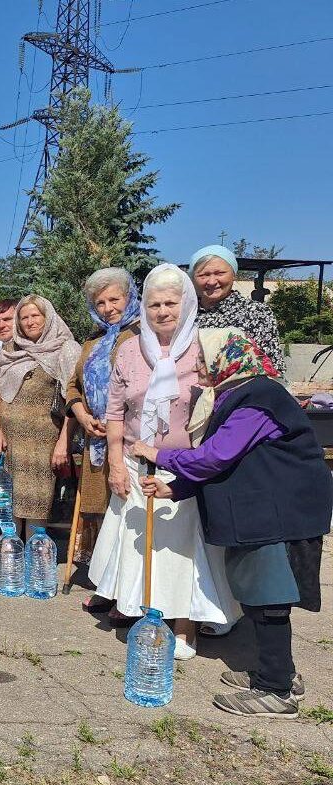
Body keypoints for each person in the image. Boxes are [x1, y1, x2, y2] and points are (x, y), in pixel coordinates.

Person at [137, 329, 330, 718]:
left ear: (228, 359)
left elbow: (216, 457)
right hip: (265, 511)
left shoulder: (259, 398)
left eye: (204, 360)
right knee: (260, 594)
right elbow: (226, 461)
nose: (198, 367)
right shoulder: (242, 396)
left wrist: (157, 454)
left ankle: (276, 692)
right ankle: (278, 672)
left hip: (278, 515)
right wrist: (175, 490)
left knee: (270, 597)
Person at [89, 264, 239, 659]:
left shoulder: (206, 347)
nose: (161, 311)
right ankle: (150, 613)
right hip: (138, 463)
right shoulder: (129, 350)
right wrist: (117, 467)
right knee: (145, 547)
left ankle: (186, 625)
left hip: (189, 466)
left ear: (186, 303)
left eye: (170, 302)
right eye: (154, 303)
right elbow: (116, 413)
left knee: (184, 548)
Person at [65, 269, 140, 589]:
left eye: (115, 299)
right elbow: (73, 386)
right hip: (94, 435)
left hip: (127, 438)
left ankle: (125, 586)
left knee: (125, 513)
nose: (109, 307)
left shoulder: (140, 335)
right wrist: (82, 416)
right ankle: (104, 582)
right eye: (101, 302)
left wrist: (114, 419)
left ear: (129, 298)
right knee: (99, 513)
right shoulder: (92, 341)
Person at [0, 295, 81, 536]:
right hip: (10, 441)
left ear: (47, 317)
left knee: (36, 502)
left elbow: (73, 399)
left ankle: (33, 559)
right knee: (8, 500)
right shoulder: (10, 350)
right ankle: (10, 558)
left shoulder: (65, 349)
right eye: (24, 317)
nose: (30, 322)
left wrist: (64, 442)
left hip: (42, 442)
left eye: (35, 316)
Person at [191, 244, 286, 375]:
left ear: (234, 274)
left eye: (220, 273)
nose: (212, 281)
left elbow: (272, 368)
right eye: (203, 275)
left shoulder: (255, 313)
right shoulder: (184, 314)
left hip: (238, 393)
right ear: (193, 279)